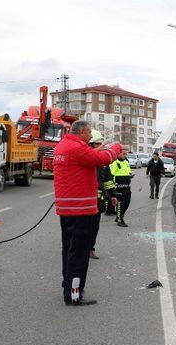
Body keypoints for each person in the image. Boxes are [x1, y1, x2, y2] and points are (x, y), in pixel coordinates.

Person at [53, 120, 121, 305]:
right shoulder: (76, 148)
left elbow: (87, 156)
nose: (91, 136)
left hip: (67, 209)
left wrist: (100, 149)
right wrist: (115, 148)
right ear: (81, 132)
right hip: (80, 210)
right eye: (89, 132)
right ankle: (74, 294)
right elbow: (103, 159)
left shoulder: (63, 146)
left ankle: (68, 284)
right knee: (79, 254)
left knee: (69, 249)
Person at [88, 130, 118, 260]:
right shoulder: (86, 161)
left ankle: (90, 248)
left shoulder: (103, 163)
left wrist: (113, 195)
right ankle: (79, 248)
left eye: (102, 144)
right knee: (82, 227)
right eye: (98, 144)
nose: (101, 147)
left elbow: (108, 180)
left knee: (95, 227)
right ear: (90, 145)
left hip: (98, 202)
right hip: (84, 202)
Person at [110, 150, 133, 227]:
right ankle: (120, 219)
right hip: (119, 187)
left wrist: (130, 174)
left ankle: (119, 215)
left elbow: (129, 171)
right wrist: (113, 186)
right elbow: (112, 175)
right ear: (118, 154)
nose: (125, 155)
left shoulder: (126, 162)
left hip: (127, 186)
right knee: (121, 203)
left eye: (126, 154)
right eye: (123, 154)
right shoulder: (115, 162)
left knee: (127, 203)